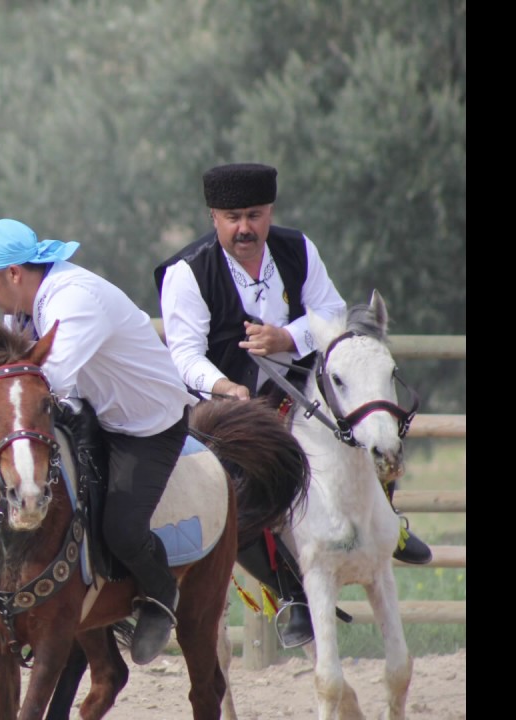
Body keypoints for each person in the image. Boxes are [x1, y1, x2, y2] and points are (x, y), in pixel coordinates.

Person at [153, 162, 433, 648]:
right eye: (233, 217)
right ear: (214, 217)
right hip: (225, 405)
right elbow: (184, 356)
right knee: (232, 496)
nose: (245, 228)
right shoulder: (186, 272)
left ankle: (390, 524)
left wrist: (287, 335)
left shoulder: (297, 247)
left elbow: (330, 311)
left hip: (303, 384)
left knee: (367, 421)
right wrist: (225, 389)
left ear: (269, 212)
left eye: (255, 215)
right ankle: (291, 594)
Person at [0, 218, 196, 665]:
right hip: (91, 412)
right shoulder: (25, 306)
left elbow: (39, 386)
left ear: (13, 274)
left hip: (147, 426)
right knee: (5, 480)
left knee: (121, 528)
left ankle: (161, 595)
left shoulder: (75, 301)